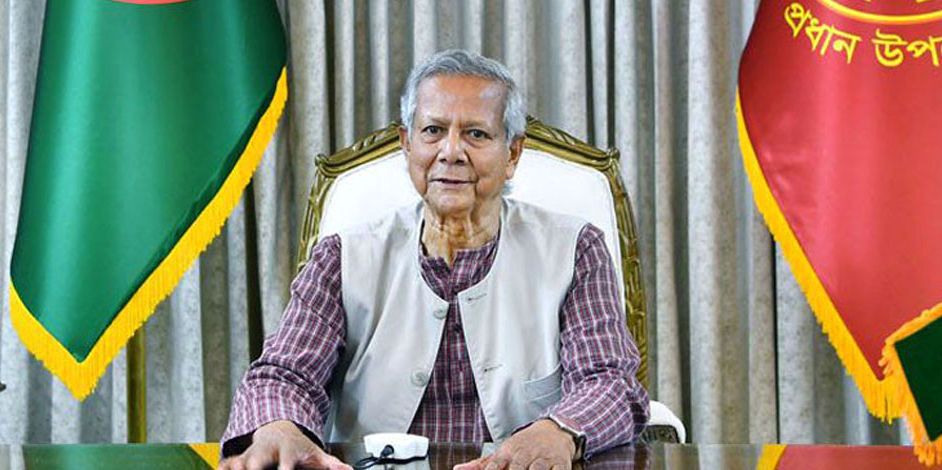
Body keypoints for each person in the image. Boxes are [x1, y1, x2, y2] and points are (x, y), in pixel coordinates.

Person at [220, 50, 649, 470]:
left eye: (476, 134)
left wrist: (559, 430)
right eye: (433, 131)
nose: (451, 151)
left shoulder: (575, 250)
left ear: (513, 154)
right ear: (407, 144)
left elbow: (610, 380)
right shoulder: (342, 257)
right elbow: (284, 374)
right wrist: (279, 426)